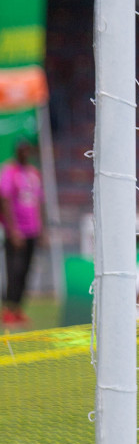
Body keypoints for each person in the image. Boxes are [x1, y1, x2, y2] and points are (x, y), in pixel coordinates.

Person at [0, 138, 44, 326]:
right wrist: (13, 229)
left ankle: (18, 308)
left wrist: (42, 228)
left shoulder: (34, 173)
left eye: (28, 150)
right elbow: (5, 199)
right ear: (17, 151)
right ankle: (8, 308)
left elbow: (40, 201)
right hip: (16, 232)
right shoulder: (9, 171)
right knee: (14, 270)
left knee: (27, 270)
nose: (25, 153)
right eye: (22, 150)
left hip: (33, 230)